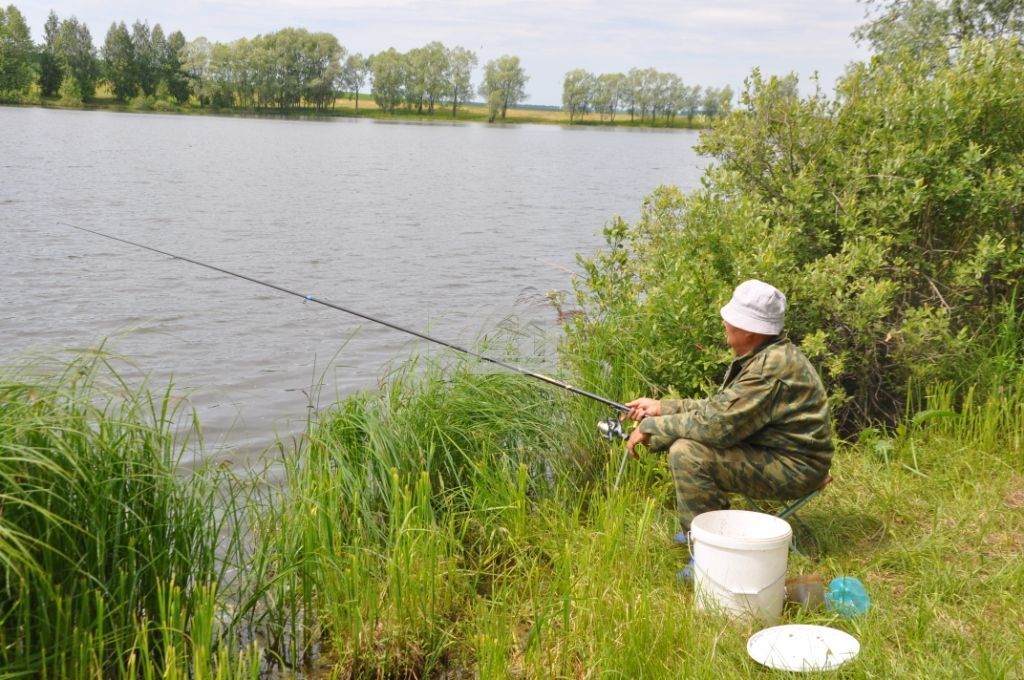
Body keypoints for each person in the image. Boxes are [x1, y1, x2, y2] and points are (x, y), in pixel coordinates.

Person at [624, 279, 833, 535]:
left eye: (731, 319)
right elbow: (720, 409)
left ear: (749, 330)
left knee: (687, 453)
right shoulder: (767, 356)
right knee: (688, 442)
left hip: (798, 468)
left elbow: (714, 427)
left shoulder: (768, 370)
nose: (724, 322)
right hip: (781, 453)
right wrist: (662, 407)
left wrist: (649, 426)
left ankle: (708, 544)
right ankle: (707, 531)